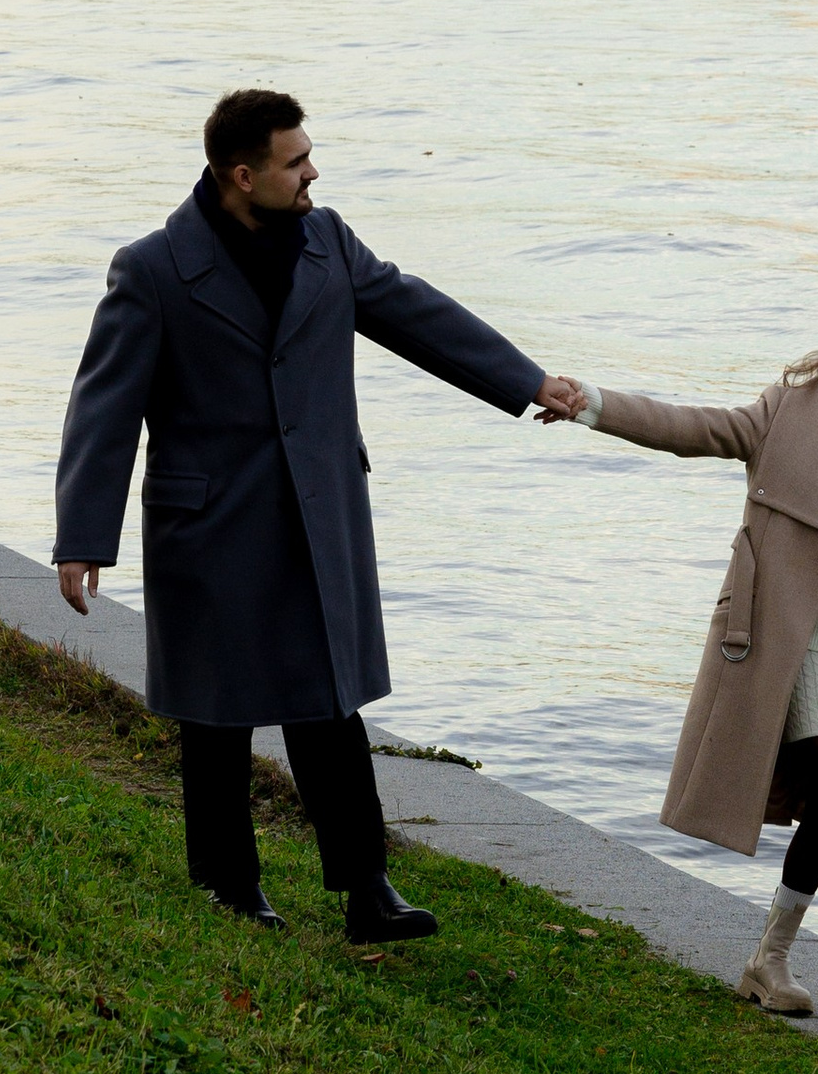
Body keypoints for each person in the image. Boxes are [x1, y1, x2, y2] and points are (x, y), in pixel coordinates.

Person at [54, 88, 585, 940]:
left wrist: (524, 380)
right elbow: (103, 407)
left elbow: (414, 311)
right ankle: (229, 889)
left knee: (327, 707)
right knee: (217, 717)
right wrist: (84, 536)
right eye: (295, 161)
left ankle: (367, 892)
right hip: (209, 525)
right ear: (241, 175)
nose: (312, 172)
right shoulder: (152, 269)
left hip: (314, 514)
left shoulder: (327, 239)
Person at [549, 285, 818, 1037]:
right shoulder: (787, 409)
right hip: (795, 643)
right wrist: (593, 403)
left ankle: (768, 961)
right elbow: (691, 428)